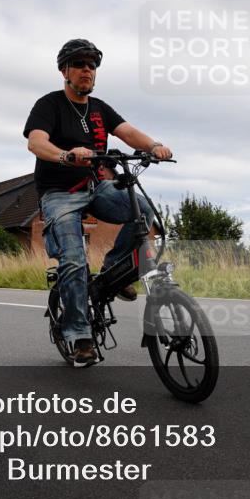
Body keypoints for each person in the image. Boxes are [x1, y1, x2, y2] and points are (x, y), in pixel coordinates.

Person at [24, 39, 172, 364]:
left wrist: (155, 145)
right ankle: (80, 337)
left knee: (144, 212)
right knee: (74, 260)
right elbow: (36, 142)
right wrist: (64, 155)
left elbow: (128, 132)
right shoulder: (49, 105)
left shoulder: (100, 109)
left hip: (95, 187)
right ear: (65, 70)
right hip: (60, 194)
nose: (86, 70)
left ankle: (113, 274)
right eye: (79, 64)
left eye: (91, 65)